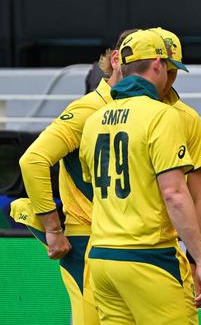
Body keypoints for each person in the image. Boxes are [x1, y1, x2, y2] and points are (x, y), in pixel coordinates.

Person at [79, 29, 201, 323]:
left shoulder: (93, 121)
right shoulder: (163, 116)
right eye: (169, 70)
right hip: (148, 257)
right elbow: (174, 194)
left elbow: (93, 184)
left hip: (103, 259)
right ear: (157, 64)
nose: (170, 78)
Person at [10, 29, 137, 325]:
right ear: (116, 60)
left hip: (138, 241)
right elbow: (33, 160)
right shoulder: (88, 109)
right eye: (140, 62)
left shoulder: (156, 111)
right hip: (89, 243)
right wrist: (53, 230)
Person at [149, 27, 201, 292]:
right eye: (167, 69)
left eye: (175, 71)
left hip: (169, 249)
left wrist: (198, 258)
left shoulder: (187, 118)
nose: (170, 78)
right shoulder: (108, 112)